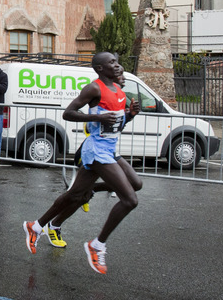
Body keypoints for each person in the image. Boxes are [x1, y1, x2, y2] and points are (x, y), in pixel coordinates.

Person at [22, 52, 141, 275]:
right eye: (111, 63)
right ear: (99, 69)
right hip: (96, 151)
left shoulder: (119, 92)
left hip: (109, 150)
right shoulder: (94, 88)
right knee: (130, 200)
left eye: (117, 62)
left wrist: (130, 115)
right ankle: (97, 245)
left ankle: (36, 226)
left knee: (77, 195)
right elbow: (68, 113)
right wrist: (97, 118)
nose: (117, 66)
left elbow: (116, 126)